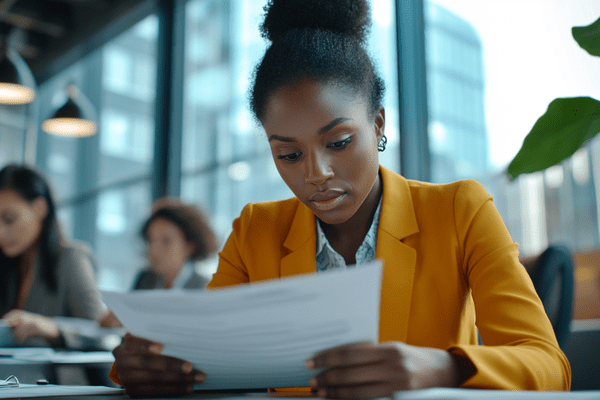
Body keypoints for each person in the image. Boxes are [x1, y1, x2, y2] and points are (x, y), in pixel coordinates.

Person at [109, 0, 571, 397]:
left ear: (378, 125)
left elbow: (550, 366)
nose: (316, 175)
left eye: (338, 142)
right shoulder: (256, 230)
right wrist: (153, 366)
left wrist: (443, 368)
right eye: (288, 154)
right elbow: (203, 357)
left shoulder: (458, 211)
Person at [0, 164, 105, 347]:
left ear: (40, 208)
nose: (1, 233)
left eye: (9, 219)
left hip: (51, 375)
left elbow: (102, 334)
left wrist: (53, 328)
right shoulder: (8, 266)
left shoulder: (71, 259)